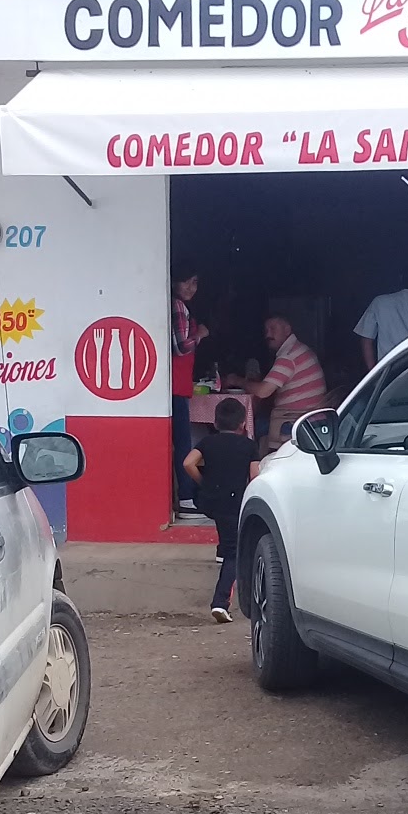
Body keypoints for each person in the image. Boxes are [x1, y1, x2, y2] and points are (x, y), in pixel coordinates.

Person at [182, 397, 260, 622]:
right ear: (243, 424)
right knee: (235, 552)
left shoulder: (207, 442)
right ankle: (220, 602)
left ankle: (221, 551)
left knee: (226, 533)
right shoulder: (249, 446)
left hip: (210, 501)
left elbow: (188, 463)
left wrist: (203, 482)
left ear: (215, 423)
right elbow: (254, 476)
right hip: (234, 501)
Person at [243, 314, 327, 454]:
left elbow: (263, 391)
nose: (268, 334)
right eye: (266, 330)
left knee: (253, 424)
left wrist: (238, 381)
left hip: (296, 420)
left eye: (273, 328)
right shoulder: (301, 349)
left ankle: (259, 467)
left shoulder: (288, 356)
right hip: (311, 415)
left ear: (287, 330)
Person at [171, 265, 209, 513]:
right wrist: (201, 335)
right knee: (183, 443)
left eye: (195, 283)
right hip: (175, 386)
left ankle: (185, 495)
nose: (191, 288)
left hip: (178, 385)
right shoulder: (178, 307)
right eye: (187, 281)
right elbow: (182, 347)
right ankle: (186, 498)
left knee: (181, 442)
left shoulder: (176, 306)